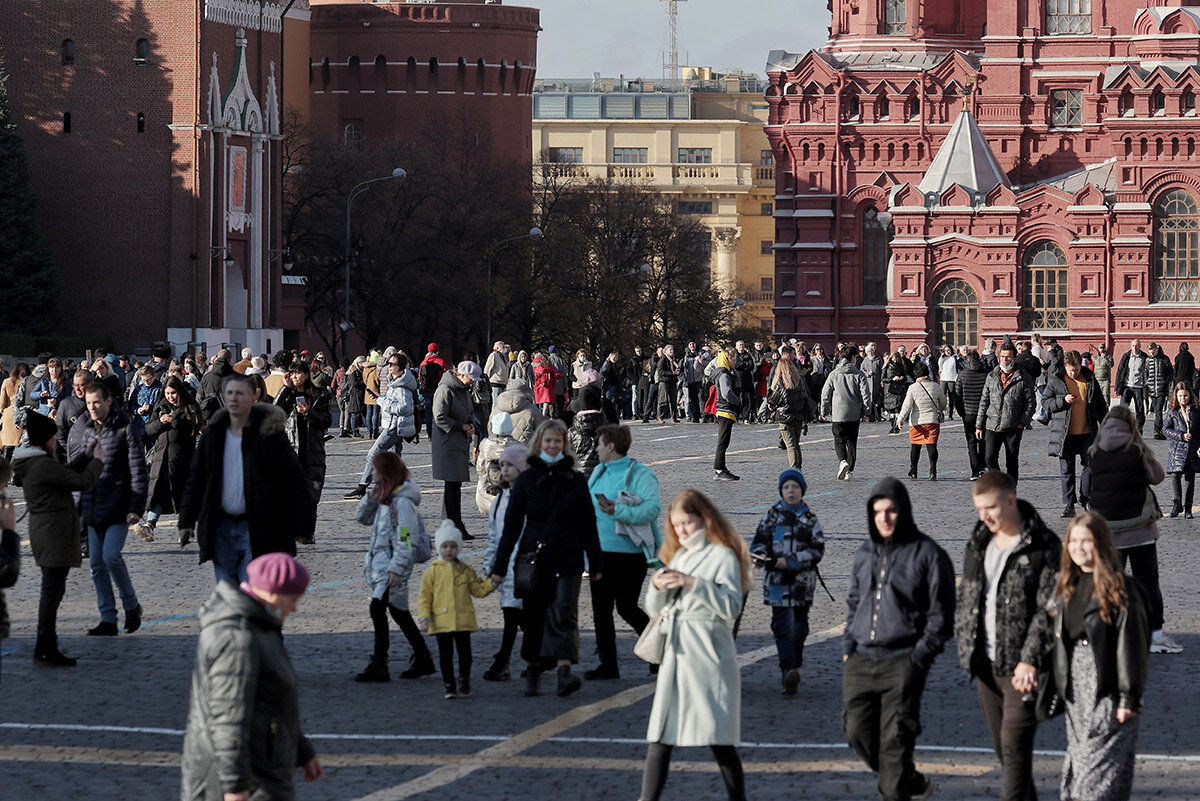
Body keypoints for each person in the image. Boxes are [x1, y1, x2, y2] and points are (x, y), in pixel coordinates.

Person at [843, 477, 955, 801]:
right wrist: (848, 645)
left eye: (891, 510)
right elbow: (854, 601)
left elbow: (942, 614)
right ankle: (910, 779)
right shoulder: (865, 552)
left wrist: (919, 657)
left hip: (903, 660)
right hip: (861, 658)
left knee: (895, 741)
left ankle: (897, 785)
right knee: (856, 732)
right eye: (878, 512)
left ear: (903, 511)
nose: (884, 518)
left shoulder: (928, 554)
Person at [180, 553, 323, 801]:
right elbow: (229, 717)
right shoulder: (239, 637)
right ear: (272, 593)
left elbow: (274, 700)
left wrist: (302, 750)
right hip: (248, 779)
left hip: (262, 767)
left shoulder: (260, 628)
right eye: (293, 598)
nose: (295, 607)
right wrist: (234, 785)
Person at [638, 489, 752, 801]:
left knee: (719, 740)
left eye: (687, 523)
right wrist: (658, 585)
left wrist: (693, 583)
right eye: (676, 525)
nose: (682, 531)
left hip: (707, 656)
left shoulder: (722, 555)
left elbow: (730, 606)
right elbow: (653, 608)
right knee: (660, 736)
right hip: (676, 655)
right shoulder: (678, 555)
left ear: (704, 518)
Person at [955, 471, 1061, 801]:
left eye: (990, 508)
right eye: (979, 509)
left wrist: (1029, 660)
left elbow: (1050, 608)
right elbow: (969, 596)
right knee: (1007, 754)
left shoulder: (1043, 545)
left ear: (1011, 500)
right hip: (986, 666)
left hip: (1023, 672)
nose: (984, 516)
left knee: (1014, 750)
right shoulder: (978, 541)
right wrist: (964, 644)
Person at [490, 419, 603, 698]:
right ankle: (533, 672)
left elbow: (588, 524)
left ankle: (564, 674)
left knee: (565, 615)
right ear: (539, 444)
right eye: (548, 441)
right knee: (535, 616)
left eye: (558, 441)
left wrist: (597, 562)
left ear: (565, 445)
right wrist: (500, 566)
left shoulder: (575, 479)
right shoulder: (527, 479)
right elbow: (512, 527)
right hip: (534, 558)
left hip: (568, 557)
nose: (553, 446)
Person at [1050, 512, 1149, 801]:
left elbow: (1133, 647)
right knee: (1078, 778)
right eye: (1073, 541)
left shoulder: (1122, 589)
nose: (1079, 548)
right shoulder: (1066, 587)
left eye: (1087, 541)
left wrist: (1128, 697)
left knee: (1098, 785)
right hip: (1076, 697)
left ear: (1102, 544)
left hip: (1107, 691)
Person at [178, 374, 313, 583]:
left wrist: (304, 524)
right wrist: (186, 521)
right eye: (229, 393)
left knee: (250, 588)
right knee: (227, 590)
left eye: (239, 393)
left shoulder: (270, 435)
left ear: (253, 398)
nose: (233, 398)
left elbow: (294, 478)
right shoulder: (213, 435)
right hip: (220, 527)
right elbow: (196, 479)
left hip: (258, 525)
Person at [1082, 404, 1182, 654]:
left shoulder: (1094, 451)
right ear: (1131, 425)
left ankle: (1107, 632)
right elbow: (1157, 476)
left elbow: (1085, 487)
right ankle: (1155, 635)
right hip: (1139, 528)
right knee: (1147, 582)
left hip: (1106, 530)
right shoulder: (1136, 450)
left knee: (1107, 582)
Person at [11, 411, 104, 666]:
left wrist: (86, 455)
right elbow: (81, 481)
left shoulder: (37, 462)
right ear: (45, 440)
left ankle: (46, 646)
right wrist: (97, 461)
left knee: (52, 590)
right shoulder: (42, 465)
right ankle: (45, 647)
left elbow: (63, 472)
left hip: (48, 531)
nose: (56, 440)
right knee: (51, 592)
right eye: (53, 436)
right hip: (52, 533)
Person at [584, 424, 663, 680]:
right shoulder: (598, 471)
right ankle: (608, 664)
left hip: (630, 554)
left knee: (626, 607)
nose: (596, 448)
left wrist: (616, 510)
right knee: (601, 610)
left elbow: (651, 510)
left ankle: (658, 653)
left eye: (599, 444)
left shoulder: (641, 473)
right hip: (599, 553)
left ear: (610, 446)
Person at [70, 382, 147, 637]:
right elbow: (82, 471)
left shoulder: (125, 429)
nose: (92, 407)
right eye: (89, 403)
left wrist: (136, 507)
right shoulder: (88, 431)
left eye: (97, 402)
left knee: (111, 555)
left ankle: (131, 605)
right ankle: (107, 618)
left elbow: (137, 469)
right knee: (96, 564)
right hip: (92, 506)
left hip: (118, 505)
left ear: (109, 402)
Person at [352, 452, 436, 683]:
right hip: (382, 564)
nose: (373, 474)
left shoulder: (402, 502)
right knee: (398, 611)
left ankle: (380, 663)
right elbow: (363, 519)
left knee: (378, 608)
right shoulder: (385, 497)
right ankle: (423, 657)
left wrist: (397, 568)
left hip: (392, 566)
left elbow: (407, 538)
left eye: (377, 471)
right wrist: (371, 497)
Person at [750, 468, 824, 695]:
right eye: (786, 487)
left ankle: (795, 660)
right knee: (781, 627)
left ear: (802, 490)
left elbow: (817, 549)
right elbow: (759, 542)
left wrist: (792, 561)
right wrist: (761, 556)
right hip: (776, 582)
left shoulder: (810, 519)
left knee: (800, 628)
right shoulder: (772, 515)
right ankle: (788, 670)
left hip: (802, 583)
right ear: (781, 490)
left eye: (795, 487)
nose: (791, 491)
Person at [418, 521, 497, 699]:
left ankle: (464, 680)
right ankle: (449, 684)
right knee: (445, 656)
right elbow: (425, 597)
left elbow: (477, 590)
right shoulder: (432, 571)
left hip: (463, 620)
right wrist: (424, 617)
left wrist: (492, 583)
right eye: (445, 546)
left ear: (458, 548)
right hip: (441, 621)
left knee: (465, 655)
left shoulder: (465, 570)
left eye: (453, 546)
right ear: (439, 548)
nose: (449, 550)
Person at [481, 442, 529, 682]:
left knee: (514, 615)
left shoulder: (531, 499)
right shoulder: (499, 502)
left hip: (525, 568)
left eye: (511, 465)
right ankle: (535, 656)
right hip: (505, 569)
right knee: (516, 615)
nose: (505, 470)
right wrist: (490, 565)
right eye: (502, 465)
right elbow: (494, 537)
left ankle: (504, 661)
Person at [344, 352, 419, 500]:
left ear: (401, 367)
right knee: (395, 459)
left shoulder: (402, 387)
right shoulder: (395, 382)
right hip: (394, 425)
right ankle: (399, 487)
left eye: (392, 364)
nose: (389, 366)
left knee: (373, 453)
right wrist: (380, 399)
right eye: (388, 364)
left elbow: (404, 408)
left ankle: (362, 486)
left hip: (394, 427)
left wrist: (383, 402)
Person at [273, 361, 332, 545]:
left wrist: (309, 413)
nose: (295, 376)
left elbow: (326, 421)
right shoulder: (287, 395)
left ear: (306, 374)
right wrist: (284, 388)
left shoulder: (320, 395)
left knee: (311, 496)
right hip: (291, 452)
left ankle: (308, 532)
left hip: (312, 452)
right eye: (292, 373)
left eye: (298, 373)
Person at [1044, 350, 1108, 518]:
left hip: (1087, 432)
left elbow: (1100, 404)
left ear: (1081, 365)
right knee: (1067, 470)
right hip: (1065, 433)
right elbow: (1045, 402)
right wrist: (1062, 401)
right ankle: (1069, 504)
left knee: (1091, 465)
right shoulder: (1056, 380)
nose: (1074, 372)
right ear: (1065, 367)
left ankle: (1085, 496)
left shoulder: (1090, 379)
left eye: (1077, 369)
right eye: (1071, 370)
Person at [139, 375, 201, 540]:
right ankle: (150, 525)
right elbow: (149, 428)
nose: (170, 396)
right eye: (167, 393)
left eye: (173, 393)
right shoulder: (160, 406)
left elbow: (194, 426)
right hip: (161, 457)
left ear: (179, 391)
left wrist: (175, 421)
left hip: (182, 458)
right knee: (158, 492)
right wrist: (160, 421)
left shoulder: (190, 406)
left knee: (181, 494)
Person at [432, 361, 482, 540]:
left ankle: (451, 523)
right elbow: (439, 416)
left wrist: (472, 426)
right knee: (452, 484)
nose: (473, 382)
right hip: (447, 443)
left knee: (454, 484)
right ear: (461, 375)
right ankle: (454, 524)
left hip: (458, 442)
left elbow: (469, 412)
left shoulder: (463, 390)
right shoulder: (445, 390)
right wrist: (461, 426)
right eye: (471, 378)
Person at [976, 342, 1036, 485]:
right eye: (1002, 357)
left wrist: (1023, 422)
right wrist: (979, 425)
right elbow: (984, 401)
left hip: (1013, 426)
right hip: (992, 424)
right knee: (989, 458)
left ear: (1014, 358)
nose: (1005, 360)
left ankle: (1011, 491)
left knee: (1012, 461)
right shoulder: (992, 376)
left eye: (1008, 357)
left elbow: (1031, 403)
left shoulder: (1023, 377)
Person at [821, 344, 872, 481]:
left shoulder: (833, 374)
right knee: (851, 442)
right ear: (853, 358)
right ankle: (849, 471)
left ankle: (842, 461)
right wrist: (867, 411)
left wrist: (824, 411)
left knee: (839, 440)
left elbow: (825, 394)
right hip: (854, 414)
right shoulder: (859, 374)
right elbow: (866, 394)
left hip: (838, 414)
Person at [767, 345, 812, 469]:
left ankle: (794, 468)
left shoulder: (780, 383)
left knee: (791, 445)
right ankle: (798, 467)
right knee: (796, 444)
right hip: (798, 415)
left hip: (785, 416)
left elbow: (773, 400)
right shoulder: (798, 381)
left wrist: (771, 406)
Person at [1162, 381, 1200, 518]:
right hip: (1177, 449)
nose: (1183, 398)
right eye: (1180, 396)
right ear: (1176, 396)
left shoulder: (1196, 411)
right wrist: (1181, 436)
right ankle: (1177, 504)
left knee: (1190, 478)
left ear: (1190, 395)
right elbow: (1165, 429)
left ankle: (1188, 507)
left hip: (1192, 449)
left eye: (1185, 395)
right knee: (1175, 475)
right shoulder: (1172, 411)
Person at [955, 350, 989, 480]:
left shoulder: (962, 375)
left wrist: (961, 412)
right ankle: (982, 467)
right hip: (983, 413)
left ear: (967, 360)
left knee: (971, 442)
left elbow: (957, 395)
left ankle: (974, 471)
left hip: (968, 413)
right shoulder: (986, 374)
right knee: (983, 441)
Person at [711, 349, 742, 481]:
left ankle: (722, 468)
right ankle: (719, 470)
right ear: (726, 360)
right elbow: (726, 393)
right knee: (722, 442)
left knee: (724, 442)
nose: (735, 361)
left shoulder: (726, 373)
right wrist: (738, 401)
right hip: (725, 410)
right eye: (733, 359)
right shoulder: (724, 374)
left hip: (725, 410)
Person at [1114, 339, 1147, 433]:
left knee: (1140, 409)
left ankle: (1139, 428)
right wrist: (1118, 387)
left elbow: (1147, 373)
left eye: (1136, 345)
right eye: (1133, 345)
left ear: (1140, 346)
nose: (1135, 347)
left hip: (1139, 387)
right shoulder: (1126, 356)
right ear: (1131, 346)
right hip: (1127, 386)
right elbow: (1120, 372)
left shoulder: (1144, 357)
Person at [1, 363, 30, 460]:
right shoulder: (27, 382)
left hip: (9, 414)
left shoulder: (6, 381)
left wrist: (2, 411)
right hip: (22, 414)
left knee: (8, 445)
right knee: (21, 444)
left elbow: (2, 402)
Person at [1145, 342, 1174, 439]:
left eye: (1153, 352)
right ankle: (1159, 431)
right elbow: (1145, 372)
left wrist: (1166, 382)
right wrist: (1147, 382)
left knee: (1158, 410)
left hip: (1161, 389)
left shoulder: (1164, 359)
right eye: (1150, 352)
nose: (1152, 354)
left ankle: (1157, 431)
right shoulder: (1148, 360)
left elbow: (1171, 372)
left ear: (1157, 349)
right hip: (1152, 389)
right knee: (1157, 410)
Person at [883, 350, 910, 434]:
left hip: (898, 389)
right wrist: (892, 379)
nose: (895, 360)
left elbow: (905, 377)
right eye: (894, 359)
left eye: (897, 359)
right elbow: (883, 379)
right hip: (889, 390)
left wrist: (901, 378)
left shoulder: (901, 366)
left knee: (897, 409)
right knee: (891, 410)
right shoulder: (886, 367)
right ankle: (892, 426)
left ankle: (897, 427)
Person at [341, 357, 367, 438]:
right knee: (354, 414)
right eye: (362, 363)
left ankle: (370, 429)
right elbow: (354, 383)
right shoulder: (353, 371)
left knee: (361, 413)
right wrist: (364, 382)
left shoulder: (359, 371)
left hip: (360, 395)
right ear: (358, 362)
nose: (363, 365)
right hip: (355, 395)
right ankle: (355, 431)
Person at [484, 341, 511, 407]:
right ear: (497, 347)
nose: (504, 348)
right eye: (503, 346)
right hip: (495, 383)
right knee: (495, 404)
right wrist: (486, 380)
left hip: (503, 383)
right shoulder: (493, 355)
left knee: (501, 404)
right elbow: (487, 369)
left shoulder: (502, 356)